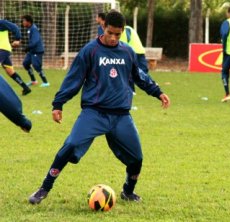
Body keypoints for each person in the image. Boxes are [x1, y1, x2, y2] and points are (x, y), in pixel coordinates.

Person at [28, 10, 170, 204]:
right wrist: (58, 104)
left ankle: (128, 191)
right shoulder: (90, 50)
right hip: (94, 113)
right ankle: (44, 188)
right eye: (110, 32)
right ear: (103, 27)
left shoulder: (127, 52)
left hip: (121, 116)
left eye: (117, 34)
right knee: (70, 145)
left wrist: (157, 91)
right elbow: (73, 79)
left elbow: (140, 76)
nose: (113, 38)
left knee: (136, 158)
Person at [0, 19, 31, 95]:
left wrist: (17, 39)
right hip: (3, 51)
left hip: (2, 49)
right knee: (10, 71)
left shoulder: (1, 23)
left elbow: (15, 27)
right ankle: (25, 88)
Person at [21, 15, 50, 87]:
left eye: (24, 21)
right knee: (25, 63)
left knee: (36, 66)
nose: (23, 22)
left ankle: (45, 82)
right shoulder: (30, 28)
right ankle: (33, 81)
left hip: (37, 51)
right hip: (32, 51)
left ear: (29, 22)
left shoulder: (34, 29)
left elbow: (35, 41)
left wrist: (27, 47)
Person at [120, 25, 149, 93]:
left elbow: (124, 42)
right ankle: (133, 88)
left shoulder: (126, 30)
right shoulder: (129, 29)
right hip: (138, 51)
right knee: (141, 70)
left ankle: (134, 88)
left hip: (134, 52)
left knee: (134, 71)